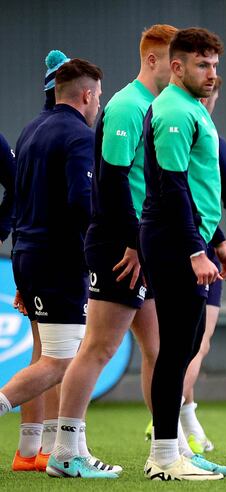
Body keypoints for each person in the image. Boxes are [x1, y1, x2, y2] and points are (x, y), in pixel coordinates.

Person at [46, 25, 174, 479]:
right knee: (98, 347)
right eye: (175, 61)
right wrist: (134, 242)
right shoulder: (126, 105)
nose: (183, 71)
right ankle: (64, 452)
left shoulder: (158, 108)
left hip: (143, 244)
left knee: (160, 350)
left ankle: (167, 450)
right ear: (154, 60)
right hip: (121, 246)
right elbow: (113, 181)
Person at [139, 27, 226, 481]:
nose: (211, 73)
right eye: (203, 64)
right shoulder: (174, 113)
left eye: (215, 64)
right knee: (175, 351)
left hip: (189, 242)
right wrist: (195, 250)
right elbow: (172, 189)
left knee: (184, 349)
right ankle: (163, 459)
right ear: (176, 67)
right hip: (173, 245)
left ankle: (173, 451)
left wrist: (217, 240)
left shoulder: (193, 109)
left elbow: (199, 189)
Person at [0, 58, 102, 461]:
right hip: (58, 259)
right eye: (99, 97)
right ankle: (69, 452)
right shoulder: (79, 134)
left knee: (45, 353)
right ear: (88, 94)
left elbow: (18, 198)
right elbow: (82, 201)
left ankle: (31, 450)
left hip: (26, 254)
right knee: (63, 362)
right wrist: (100, 246)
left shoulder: (29, 130)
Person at [180, 74, 226, 454]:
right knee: (196, 345)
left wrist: (221, 240)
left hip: (164, 244)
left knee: (171, 346)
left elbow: (195, 203)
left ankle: (186, 418)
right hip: (195, 252)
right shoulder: (210, 140)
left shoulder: (163, 130)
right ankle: (171, 420)